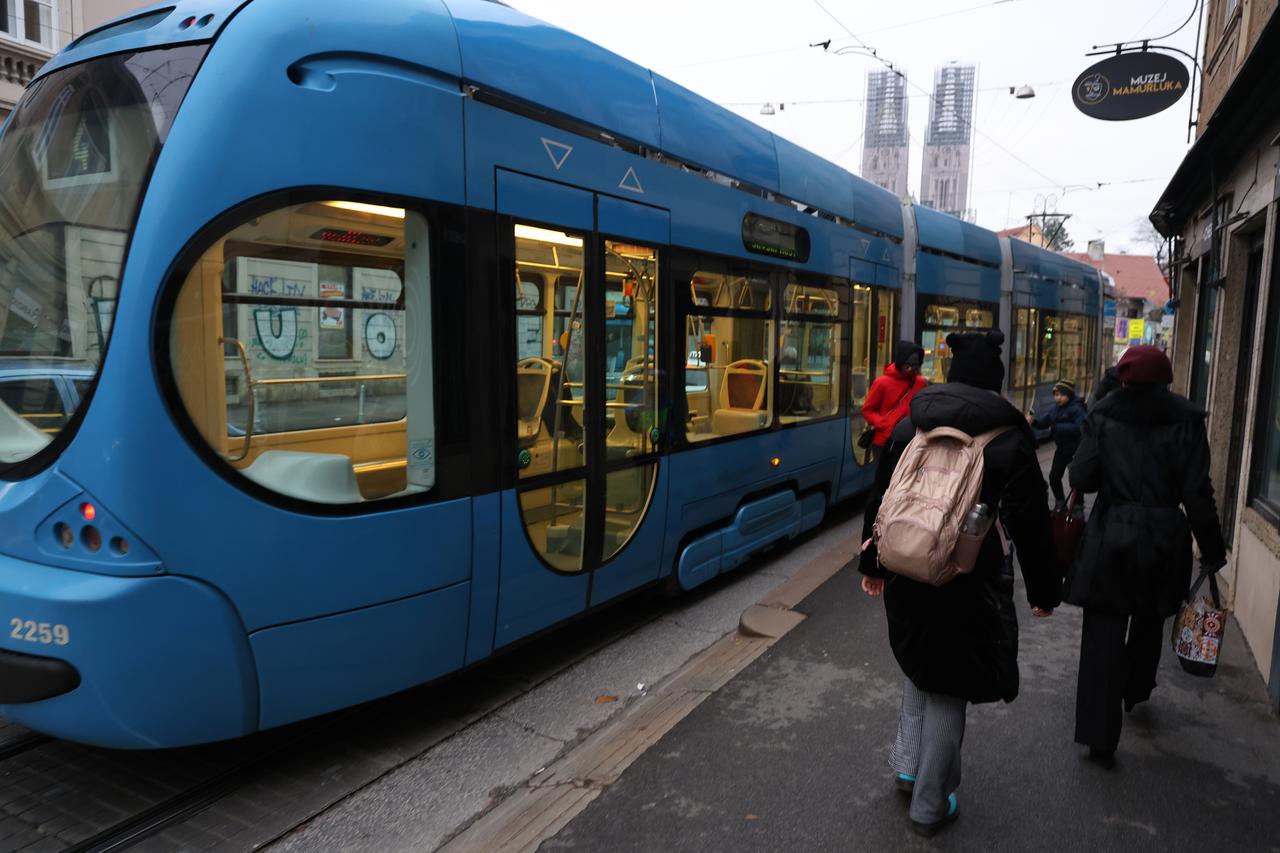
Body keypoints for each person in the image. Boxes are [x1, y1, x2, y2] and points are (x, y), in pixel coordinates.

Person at [859, 330, 1060, 837]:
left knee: (919, 660)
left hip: (906, 565)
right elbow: (1032, 523)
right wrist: (1044, 592)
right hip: (968, 576)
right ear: (995, 382)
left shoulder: (912, 423)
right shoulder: (1010, 438)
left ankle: (909, 765)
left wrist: (872, 565)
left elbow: (880, 497)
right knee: (949, 685)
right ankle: (929, 805)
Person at [1066, 345, 1227, 768]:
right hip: (1162, 537)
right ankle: (1135, 688)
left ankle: (1100, 737)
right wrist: (1212, 549)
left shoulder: (1103, 414)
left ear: (1123, 379)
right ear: (1166, 380)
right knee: (1150, 617)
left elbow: (1081, 475)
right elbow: (1197, 493)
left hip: (1110, 534)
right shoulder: (1187, 421)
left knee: (1102, 631)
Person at [1027, 379, 1088, 510]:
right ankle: (1060, 502)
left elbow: (1079, 427)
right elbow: (1045, 422)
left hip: (1075, 450)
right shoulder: (1055, 409)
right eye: (1055, 394)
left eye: (1061, 394)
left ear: (1069, 395)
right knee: (1054, 477)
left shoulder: (1077, 408)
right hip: (1061, 449)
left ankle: (1078, 506)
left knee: (1075, 480)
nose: (1058, 398)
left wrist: (1057, 427)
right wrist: (1034, 422)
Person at [862, 341, 927, 454]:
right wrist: (882, 423)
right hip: (884, 441)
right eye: (907, 366)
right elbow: (868, 410)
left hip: (911, 442)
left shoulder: (920, 383)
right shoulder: (881, 382)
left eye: (915, 367)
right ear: (900, 362)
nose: (911, 370)